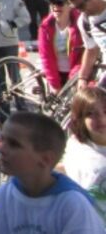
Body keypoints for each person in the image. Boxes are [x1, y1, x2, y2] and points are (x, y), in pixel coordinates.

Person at [0, 111, 103, 233]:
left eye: (14, 144)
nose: (2, 149)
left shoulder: (72, 205)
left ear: (45, 159)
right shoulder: (2, 197)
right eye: (2, 140)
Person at [62, 85, 106, 222]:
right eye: (91, 114)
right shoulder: (77, 149)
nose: (101, 118)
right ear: (80, 119)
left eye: (105, 111)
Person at [37, 0, 83, 92]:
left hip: (76, 72)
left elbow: (84, 54)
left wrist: (73, 77)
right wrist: (55, 83)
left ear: (70, 6)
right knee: (56, 97)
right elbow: (46, 56)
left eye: (59, 3)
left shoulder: (80, 24)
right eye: (52, 3)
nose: (55, 7)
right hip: (55, 71)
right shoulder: (45, 26)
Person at [67, 0, 106, 84]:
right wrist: (82, 78)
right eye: (76, 8)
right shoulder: (84, 22)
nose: (80, 11)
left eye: (81, 6)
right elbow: (91, 50)